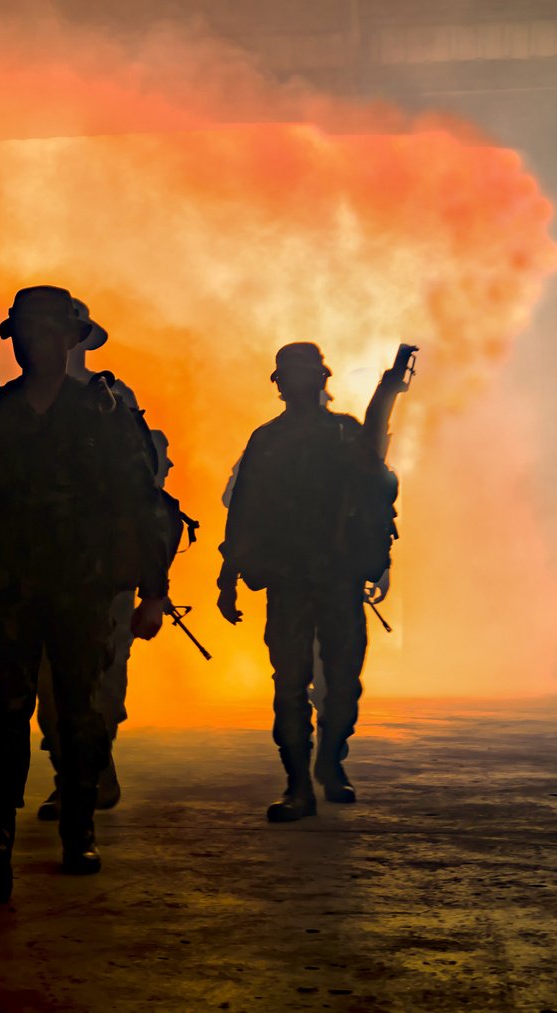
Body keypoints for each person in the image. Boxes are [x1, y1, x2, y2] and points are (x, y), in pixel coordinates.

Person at [0, 286, 171, 902]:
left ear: (70, 339)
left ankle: (79, 831)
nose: (33, 345)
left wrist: (153, 590)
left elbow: (140, 504)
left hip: (81, 586)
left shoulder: (103, 414)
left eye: (46, 333)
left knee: (78, 715)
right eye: (25, 334)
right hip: (12, 587)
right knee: (6, 717)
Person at [216, 342, 400, 823]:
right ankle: (298, 784)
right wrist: (228, 575)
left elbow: (378, 496)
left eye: (305, 374)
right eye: (289, 376)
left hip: (338, 579)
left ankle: (330, 762)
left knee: (342, 683)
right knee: (290, 685)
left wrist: (378, 560)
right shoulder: (267, 441)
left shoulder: (345, 436)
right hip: (289, 581)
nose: (297, 384)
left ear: (321, 380)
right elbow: (244, 511)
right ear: (280, 384)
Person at [33, 299, 174, 821]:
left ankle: (88, 776)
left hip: (99, 568)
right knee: (48, 687)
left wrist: (152, 582)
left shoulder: (113, 400)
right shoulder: (20, 402)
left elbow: (141, 489)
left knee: (100, 678)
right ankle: (75, 775)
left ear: (79, 340)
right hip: (40, 565)